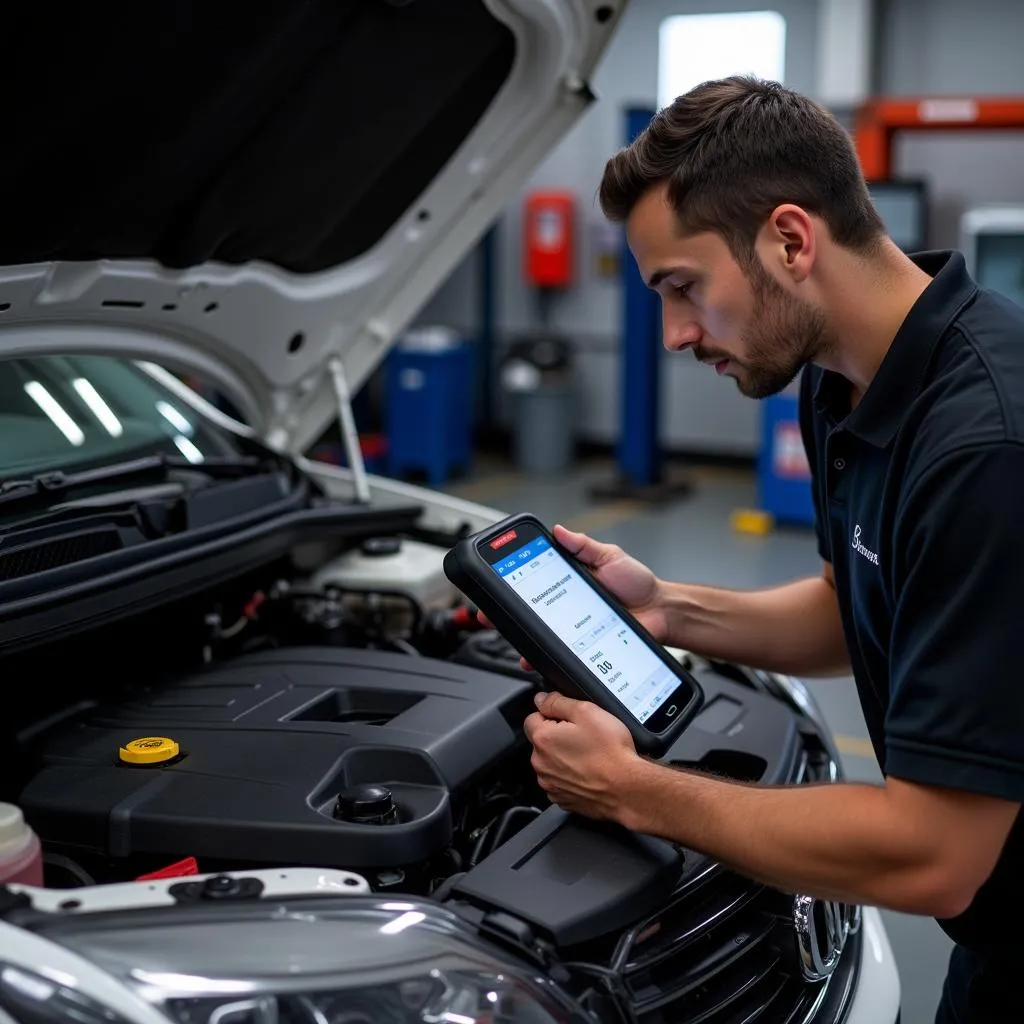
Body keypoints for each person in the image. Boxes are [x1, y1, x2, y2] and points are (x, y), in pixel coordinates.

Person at [500, 76, 1024, 1022]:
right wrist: (668, 609)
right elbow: (852, 604)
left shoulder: (986, 447)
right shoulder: (844, 380)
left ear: (790, 239)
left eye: (682, 288)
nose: (673, 334)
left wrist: (637, 791)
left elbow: (935, 853)